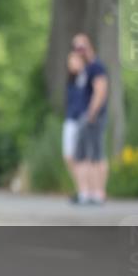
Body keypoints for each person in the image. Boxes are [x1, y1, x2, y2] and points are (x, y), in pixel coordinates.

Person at [72, 33, 109, 205]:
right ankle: (87, 192)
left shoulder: (96, 67)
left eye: (81, 48)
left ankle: (99, 192)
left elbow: (101, 91)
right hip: (83, 116)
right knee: (83, 155)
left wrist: (92, 113)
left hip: (93, 117)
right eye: (76, 48)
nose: (79, 52)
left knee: (96, 155)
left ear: (89, 47)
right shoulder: (85, 69)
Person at [63, 49, 89, 204]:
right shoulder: (72, 79)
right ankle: (80, 188)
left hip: (80, 120)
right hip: (70, 119)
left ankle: (84, 192)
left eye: (73, 61)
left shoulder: (85, 78)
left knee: (80, 157)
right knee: (69, 156)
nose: (71, 64)